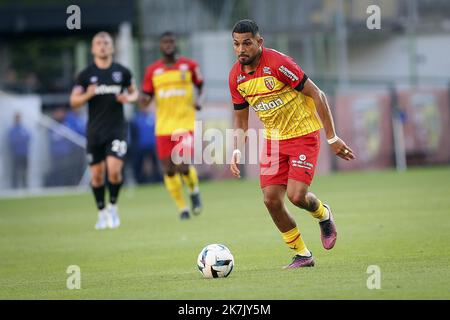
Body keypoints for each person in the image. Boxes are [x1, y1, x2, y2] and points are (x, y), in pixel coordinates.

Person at [228, 20, 356, 269]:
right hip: (274, 141)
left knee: (297, 196)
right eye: (236, 44)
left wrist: (332, 137)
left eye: (246, 43)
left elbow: (317, 94)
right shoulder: (235, 77)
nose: (241, 49)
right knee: (271, 200)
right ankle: (302, 255)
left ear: (259, 42)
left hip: (302, 135)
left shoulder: (278, 64)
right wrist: (235, 151)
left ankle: (323, 214)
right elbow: (241, 121)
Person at [70, 31, 138, 230]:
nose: (102, 46)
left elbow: (135, 94)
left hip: (116, 129)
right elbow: (74, 101)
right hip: (94, 132)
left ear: (112, 47)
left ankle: (113, 207)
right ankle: (101, 213)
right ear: (93, 49)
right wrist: (86, 95)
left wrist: (128, 98)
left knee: (114, 171)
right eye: (98, 43)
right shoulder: (85, 76)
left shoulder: (122, 72)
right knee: (98, 175)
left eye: (106, 42)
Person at [140, 31, 204, 220]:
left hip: (184, 123)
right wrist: (141, 100)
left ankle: (194, 190)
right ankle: (182, 208)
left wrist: (199, 100)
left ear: (176, 44)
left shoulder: (189, 65)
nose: (168, 45)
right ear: (160, 46)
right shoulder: (152, 71)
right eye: (164, 42)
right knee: (168, 169)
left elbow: (201, 85)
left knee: (183, 165)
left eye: (171, 42)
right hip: (163, 126)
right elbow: (146, 96)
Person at [130, 108, 161, 184]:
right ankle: (139, 181)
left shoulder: (153, 118)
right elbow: (133, 134)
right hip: (140, 146)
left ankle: (158, 180)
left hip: (152, 146)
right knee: (138, 164)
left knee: (155, 164)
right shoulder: (136, 118)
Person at [8, 112, 31, 189]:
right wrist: (21, 139)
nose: (18, 119)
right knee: (15, 172)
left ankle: (25, 187)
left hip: (24, 153)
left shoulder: (24, 129)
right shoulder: (13, 130)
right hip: (16, 154)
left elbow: (29, 137)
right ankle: (14, 187)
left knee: (25, 172)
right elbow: (13, 141)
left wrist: (20, 139)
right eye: (17, 118)